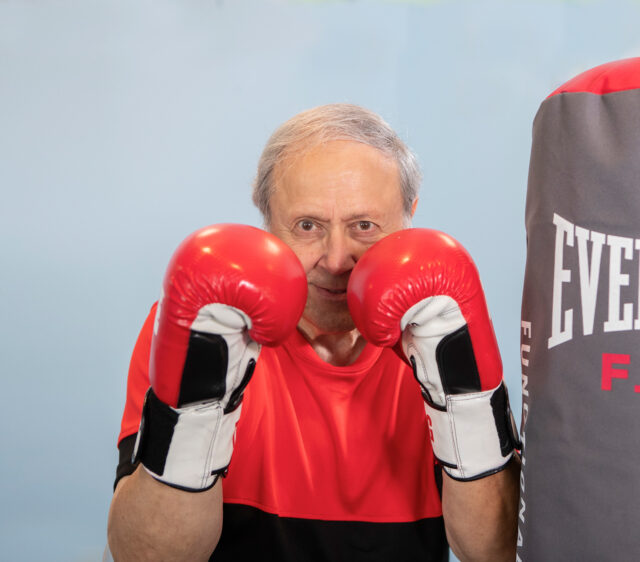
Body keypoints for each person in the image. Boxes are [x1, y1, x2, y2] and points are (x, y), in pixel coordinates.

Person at [107, 104, 520, 561]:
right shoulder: (203, 325)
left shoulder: (442, 327)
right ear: (266, 221)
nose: (337, 258)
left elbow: (494, 553)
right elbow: (145, 557)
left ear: (409, 215)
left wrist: (466, 407)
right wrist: (196, 414)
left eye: (364, 226)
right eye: (308, 226)